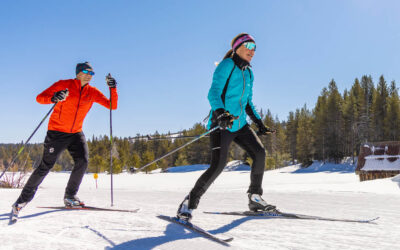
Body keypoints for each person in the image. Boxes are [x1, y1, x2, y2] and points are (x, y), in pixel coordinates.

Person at [177, 33, 276, 221]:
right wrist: (221, 113)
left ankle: (255, 198)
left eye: (255, 48)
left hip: (239, 124)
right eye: (248, 46)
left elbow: (247, 102)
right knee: (218, 166)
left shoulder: (248, 73)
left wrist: (259, 124)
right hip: (221, 124)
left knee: (259, 153)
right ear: (237, 46)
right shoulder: (227, 65)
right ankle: (188, 204)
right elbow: (213, 93)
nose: (252, 51)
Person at [11, 62, 118, 216]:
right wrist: (54, 97)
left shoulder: (92, 92)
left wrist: (113, 89)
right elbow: (39, 98)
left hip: (76, 133)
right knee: (45, 166)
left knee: (83, 161)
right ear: (78, 73)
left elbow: (112, 105)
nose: (89, 76)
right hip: (57, 132)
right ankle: (22, 200)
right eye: (87, 72)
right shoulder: (64, 85)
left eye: (92, 73)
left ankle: (70, 196)